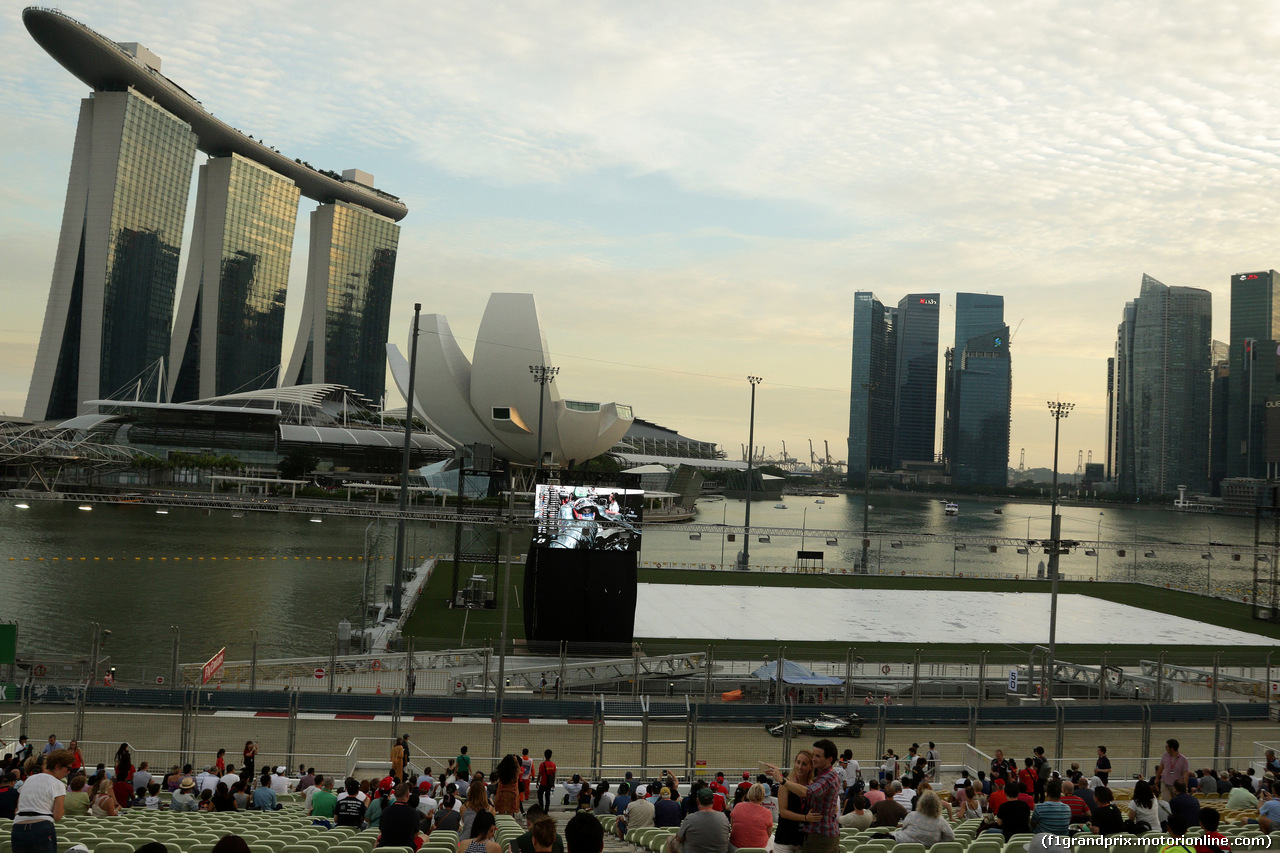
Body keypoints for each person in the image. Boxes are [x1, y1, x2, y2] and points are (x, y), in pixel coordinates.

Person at [768, 738, 840, 853]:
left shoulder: (823, 779)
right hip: (789, 838)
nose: (814, 759)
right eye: (798, 762)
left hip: (816, 835)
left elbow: (807, 792)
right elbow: (783, 811)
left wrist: (781, 780)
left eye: (817, 756)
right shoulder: (820, 777)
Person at [665, 787, 731, 853]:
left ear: (697, 801)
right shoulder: (723, 817)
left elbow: (679, 838)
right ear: (713, 801)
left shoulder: (690, 818)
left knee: (670, 839)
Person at [773, 751, 813, 853]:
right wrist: (805, 818)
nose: (800, 767)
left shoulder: (814, 785)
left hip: (804, 840)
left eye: (804, 764)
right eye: (798, 762)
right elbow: (783, 812)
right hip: (785, 839)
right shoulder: (785, 783)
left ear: (811, 767)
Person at [884, 790, 953, 846]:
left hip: (904, 844)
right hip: (929, 847)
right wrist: (937, 840)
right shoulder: (940, 820)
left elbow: (903, 828)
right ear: (937, 805)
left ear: (921, 803)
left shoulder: (912, 815)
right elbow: (951, 836)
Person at [379, 782, 422, 848]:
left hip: (386, 846)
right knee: (425, 838)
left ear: (395, 795)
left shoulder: (385, 811)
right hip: (407, 847)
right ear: (408, 795)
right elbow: (415, 834)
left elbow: (382, 831)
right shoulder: (413, 813)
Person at [729, 782, 773, 847]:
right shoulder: (767, 813)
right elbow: (769, 834)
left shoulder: (738, 806)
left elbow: (732, 825)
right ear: (763, 796)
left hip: (736, 846)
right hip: (760, 848)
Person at [1030, 779, 1071, 845]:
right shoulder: (1067, 808)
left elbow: (1032, 824)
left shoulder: (1039, 807)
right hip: (1062, 843)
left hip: (1043, 842)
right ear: (1060, 794)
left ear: (1047, 793)